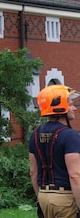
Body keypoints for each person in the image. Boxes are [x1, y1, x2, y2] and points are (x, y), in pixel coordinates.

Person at [29, 84, 80, 218]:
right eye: (70, 104)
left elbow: (33, 172)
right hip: (65, 199)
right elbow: (75, 175)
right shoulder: (70, 136)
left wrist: (41, 198)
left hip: (44, 196)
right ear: (60, 107)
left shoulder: (35, 134)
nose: (74, 108)